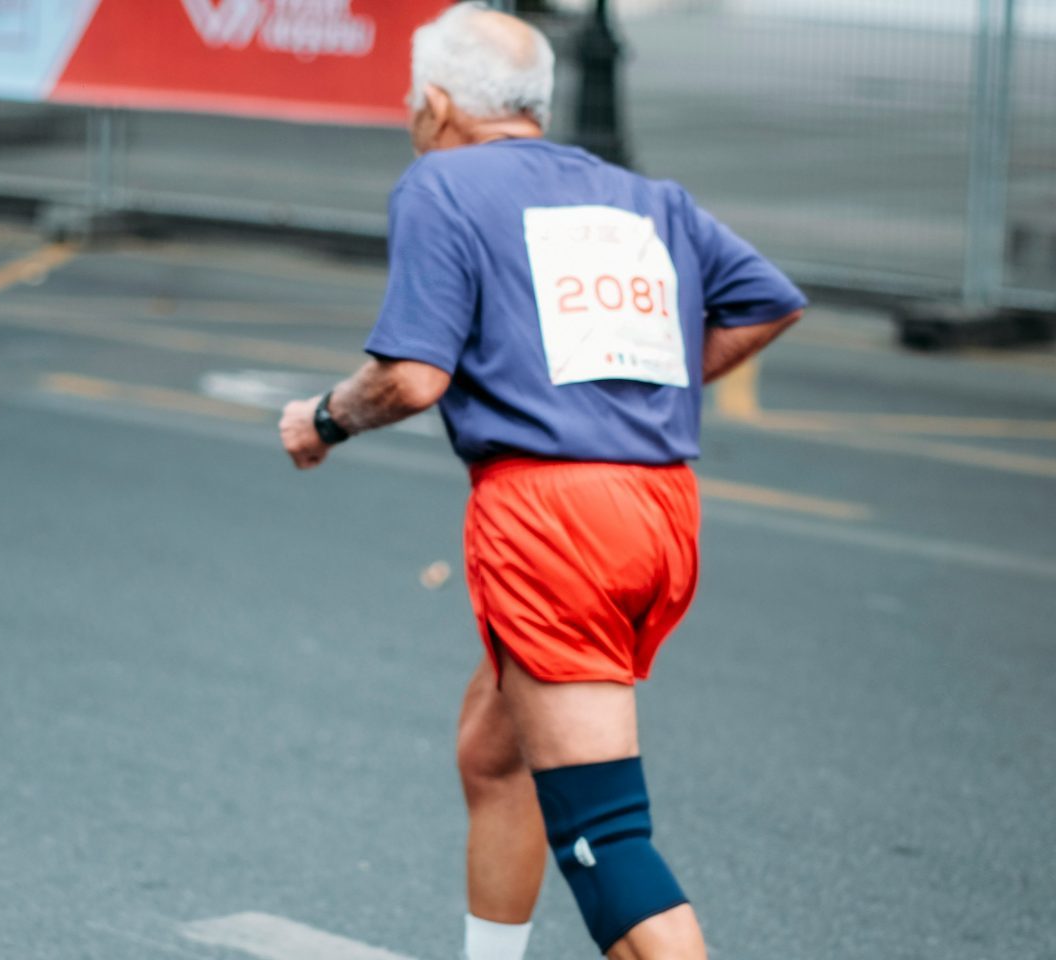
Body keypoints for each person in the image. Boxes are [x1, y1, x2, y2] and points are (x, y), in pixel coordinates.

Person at [277, 5, 805, 958]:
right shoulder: (642, 196)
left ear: (438, 103)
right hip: (660, 510)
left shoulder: (440, 183)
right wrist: (630, 398)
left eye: (410, 97)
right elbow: (768, 300)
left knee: (606, 836)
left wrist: (322, 420)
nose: (409, 113)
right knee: (496, 753)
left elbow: (412, 377)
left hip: (554, 522)